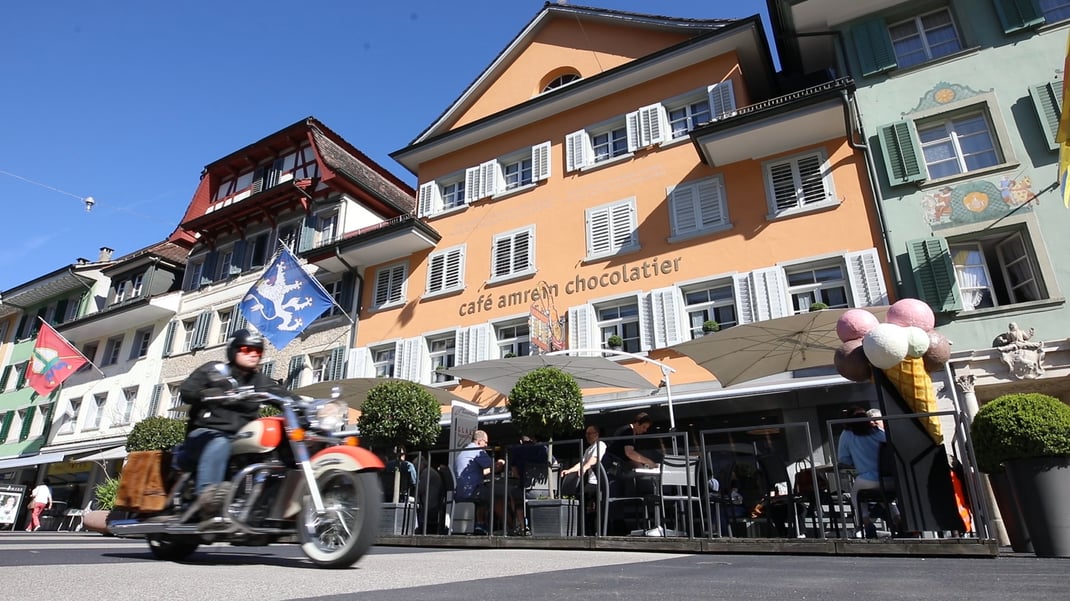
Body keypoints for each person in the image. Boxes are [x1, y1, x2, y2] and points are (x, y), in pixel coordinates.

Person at [179, 328, 291, 517]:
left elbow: (283, 395)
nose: (254, 354)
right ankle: (208, 497)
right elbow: (186, 391)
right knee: (221, 442)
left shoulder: (258, 381)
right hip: (205, 434)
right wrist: (205, 394)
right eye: (247, 349)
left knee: (274, 449)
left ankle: (263, 506)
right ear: (233, 350)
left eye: (258, 351)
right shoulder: (214, 370)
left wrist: (310, 405)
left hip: (240, 438)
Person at [837, 406, 899, 539]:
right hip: (890, 479)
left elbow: (843, 459)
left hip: (868, 479)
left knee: (855, 493)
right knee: (886, 498)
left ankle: (866, 522)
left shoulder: (847, 434)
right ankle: (897, 518)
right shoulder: (878, 431)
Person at [453, 430, 507, 533]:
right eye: (486, 442)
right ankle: (505, 526)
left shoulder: (464, 451)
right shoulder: (478, 451)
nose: (486, 445)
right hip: (471, 491)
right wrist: (501, 462)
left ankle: (481, 523)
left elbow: (482, 471)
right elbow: (494, 467)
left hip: (459, 492)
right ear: (479, 441)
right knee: (497, 496)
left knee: (487, 493)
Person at [561, 425, 606, 534]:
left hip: (599, 482)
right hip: (591, 482)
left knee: (587, 501)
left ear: (597, 434)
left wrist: (585, 468)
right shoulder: (589, 449)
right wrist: (570, 470)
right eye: (586, 433)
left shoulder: (600, 444)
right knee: (583, 500)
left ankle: (593, 529)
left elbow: (594, 459)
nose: (587, 436)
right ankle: (586, 529)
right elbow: (582, 462)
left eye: (590, 433)